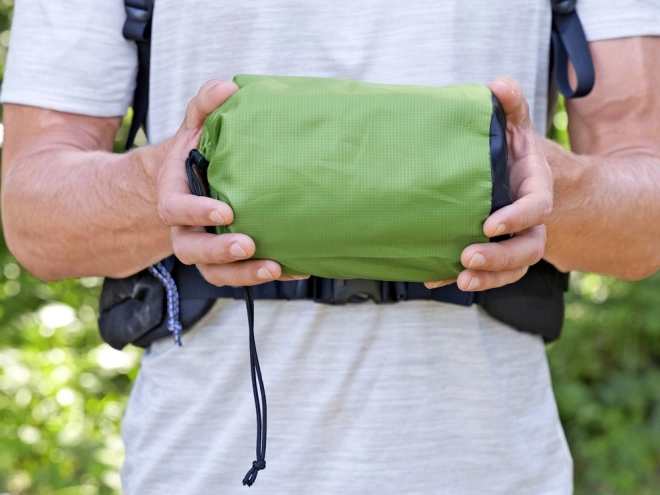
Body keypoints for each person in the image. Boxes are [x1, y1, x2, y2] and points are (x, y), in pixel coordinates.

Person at [1, 0, 659, 493]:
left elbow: (646, 221)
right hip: (202, 466)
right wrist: (166, 183)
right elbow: (35, 221)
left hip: (493, 468)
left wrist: (544, 189)